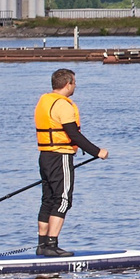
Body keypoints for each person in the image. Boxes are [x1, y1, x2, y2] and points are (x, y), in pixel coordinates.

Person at [32, 68, 109, 258]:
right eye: (74, 83)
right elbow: (73, 134)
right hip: (60, 156)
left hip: (45, 156)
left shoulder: (44, 100)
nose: (75, 86)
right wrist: (97, 152)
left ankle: (42, 244)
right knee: (63, 200)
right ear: (68, 84)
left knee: (48, 199)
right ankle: (51, 245)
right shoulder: (63, 105)